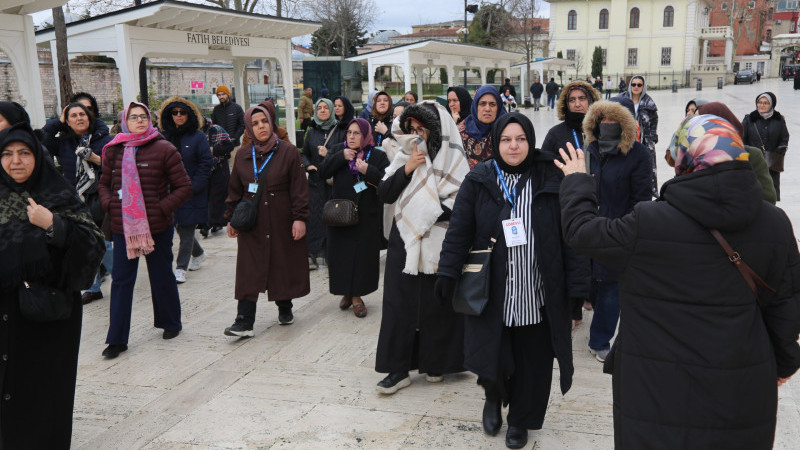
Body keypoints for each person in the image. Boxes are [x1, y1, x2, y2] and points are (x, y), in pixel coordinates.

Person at [555, 114, 800, 450]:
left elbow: (581, 232)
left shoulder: (649, 221)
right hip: (740, 385)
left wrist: (577, 180)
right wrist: (784, 363)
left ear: (686, 158)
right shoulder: (774, 223)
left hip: (656, 388)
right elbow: (786, 306)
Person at [437, 113, 589, 449]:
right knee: (492, 355)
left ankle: (520, 420)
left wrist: (577, 290)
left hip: (538, 293)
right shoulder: (479, 179)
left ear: (530, 141)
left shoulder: (550, 176)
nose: (514, 145)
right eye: (506, 139)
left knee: (533, 363)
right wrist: (447, 272)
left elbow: (571, 237)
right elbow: (459, 231)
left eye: (520, 138)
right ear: (496, 143)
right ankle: (493, 396)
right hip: (493, 294)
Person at [0, 121, 105, 448]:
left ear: (38, 156)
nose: (15, 161)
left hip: (46, 320)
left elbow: (93, 247)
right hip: (4, 316)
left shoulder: (57, 194)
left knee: (42, 396)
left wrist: (54, 226)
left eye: (24, 153)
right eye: (6, 154)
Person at [375, 102, 470, 394]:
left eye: (422, 130)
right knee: (398, 305)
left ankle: (436, 363)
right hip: (404, 241)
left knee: (437, 305)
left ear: (436, 131)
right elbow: (385, 192)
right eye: (412, 129)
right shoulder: (404, 155)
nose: (417, 135)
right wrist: (408, 168)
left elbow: (461, 203)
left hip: (440, 243)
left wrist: (425, 210)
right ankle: (398, 369)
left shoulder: (452, 159)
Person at [98, 102, 193, 358]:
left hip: (157, 227)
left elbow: (184, 186)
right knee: (121, 281)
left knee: (161, 274)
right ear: (124, 121)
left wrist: (162, 207)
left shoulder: (164, 148)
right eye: (133, 117)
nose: (139, 120)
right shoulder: (114, 150)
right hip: (123, 227)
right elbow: (104, 184)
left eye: (143, 116)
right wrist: (110, 204)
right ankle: (117, 340)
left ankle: (170, 322)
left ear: (150, 120)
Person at [224, 105, 310, 336]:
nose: (261, 126)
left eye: (264, 121)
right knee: (248, 269)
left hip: (282, 218)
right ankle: (244, 320)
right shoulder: (242, 155)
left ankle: (285, 306)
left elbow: (299, 189)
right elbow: (234, 190)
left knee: (280, 262)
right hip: (253, 221)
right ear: (249, 129)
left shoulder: (289, 152)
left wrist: (299, 218)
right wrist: (231, 218)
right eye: (255, 123)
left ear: (271, 123)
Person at [582, 100, 652, 362]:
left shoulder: (639, 155)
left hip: (618, 229)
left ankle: (599, 339)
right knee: (592, 281)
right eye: (604, 120)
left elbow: (642, 197)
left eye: (614, 121)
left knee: (611, 286)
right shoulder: (590, 148)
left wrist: (630, 229)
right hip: (588, 226)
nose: (607, 126)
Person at [317, 118, 389, 317]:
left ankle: (357, 296)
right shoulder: (338, 150)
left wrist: (368, 171)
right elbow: (322, 172)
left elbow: (386, 181)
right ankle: (346, 292)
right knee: (341, 256)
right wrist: (340, 156)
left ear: (365, 135)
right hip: (340, 215)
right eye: (349, 132)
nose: (351, 136)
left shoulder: (376, 155)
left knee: (362, 257)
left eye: (357, 133)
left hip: (366, 216)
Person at [540, 80, 599, 322]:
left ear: (591, 101)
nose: (577, 104)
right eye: (572, 100)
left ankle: (590, 295)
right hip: (567, 202)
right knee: (573, 253)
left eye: (581, 99)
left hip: (597, 200)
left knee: (595, 250)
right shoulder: (556, 133)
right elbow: (544, 167)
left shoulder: (600, 129)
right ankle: (572, 307)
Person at [43, 102, 112, 305]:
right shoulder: (63, 142)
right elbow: (42, 140)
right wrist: (58, 121)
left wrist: (93, 157)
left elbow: (114, 164)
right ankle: (93, 288)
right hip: (73, 198)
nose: (79, 118)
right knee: (82, 243)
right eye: (73, 116)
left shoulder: (102, 139)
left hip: (99, 196)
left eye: (83, 114)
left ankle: (122, 275)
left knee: (105, 243)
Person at [158, 97, 213, 283]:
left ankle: (181, 267)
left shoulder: (198, 137)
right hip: (168, 191)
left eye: (183, 112)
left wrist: (194, 186)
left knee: (187, 228)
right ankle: (199, 253)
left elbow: (206, 163)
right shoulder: (163, 137)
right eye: (175, 112)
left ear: (189, 115)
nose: (179, 116)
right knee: (179, 226)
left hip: (190, 190)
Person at [301, 98, 337, 270]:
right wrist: (308, 165)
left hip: (332, 182)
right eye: (319, 108)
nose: (322, 111)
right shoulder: (311, 131)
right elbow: (304, 153)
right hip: (315, 182)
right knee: (314, 217)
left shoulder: (339, 130)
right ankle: (312, 254)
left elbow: (344, 152)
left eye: (326, 108)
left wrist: (328, 153)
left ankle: (330, 254)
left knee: (332, 217)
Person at [741, 92, 789, 201]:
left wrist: (780, 151)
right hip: (753, 162)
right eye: (759, 102)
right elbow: (742, 138)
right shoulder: (749, 119)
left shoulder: (779, 119)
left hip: (772, 162)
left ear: (772, 104)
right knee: (754, 191)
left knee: (770, 192)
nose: (762, 105)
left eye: (765, 103)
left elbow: (784, 137)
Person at [621, 75, 659, 196]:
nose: (636, 87)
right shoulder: (623, 100)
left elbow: (654, 121)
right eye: (633, 84)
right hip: (625, 142)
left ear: (643, 87)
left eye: (639, 85)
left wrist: (652, 137)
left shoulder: (649, 103)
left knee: (644, 170)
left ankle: (645, 194)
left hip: (644, 143)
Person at [200, 116, 235, 237]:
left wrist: (213, 150)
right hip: (203, 168)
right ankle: (213, 222)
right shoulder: (195, 133)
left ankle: (209, 224)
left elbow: (229, 146)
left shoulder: (217, 129)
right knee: (206, 196)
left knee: (217, 196)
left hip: (220, 167)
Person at [458, 85, 506, 168]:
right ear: (475, 106)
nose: (487, 109)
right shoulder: (459, 132)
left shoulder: (507, 129)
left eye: (492, 104)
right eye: (482, 104)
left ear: (498, 108)